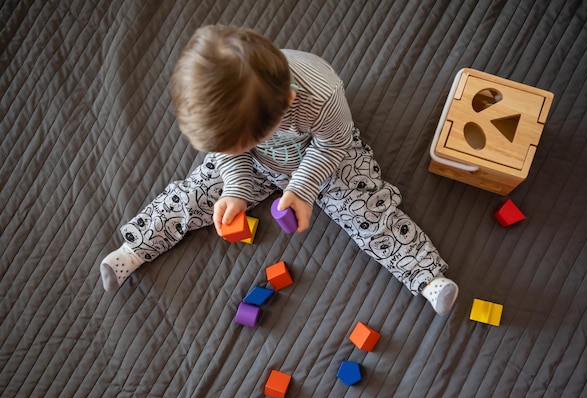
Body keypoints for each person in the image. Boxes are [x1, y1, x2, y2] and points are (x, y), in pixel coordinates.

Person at [100, 25, 459, 315]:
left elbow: (335, 143)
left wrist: (302, 189)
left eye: (238, 140)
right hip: (253, 165)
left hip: (325, 157)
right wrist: (235, 188)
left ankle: (426, 277)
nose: (225, 149)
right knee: (193, 193)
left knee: (366, 209)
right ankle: (134, 249)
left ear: (286, 104)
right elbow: (227, 154)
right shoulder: (226, 128)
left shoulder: (321, 96)